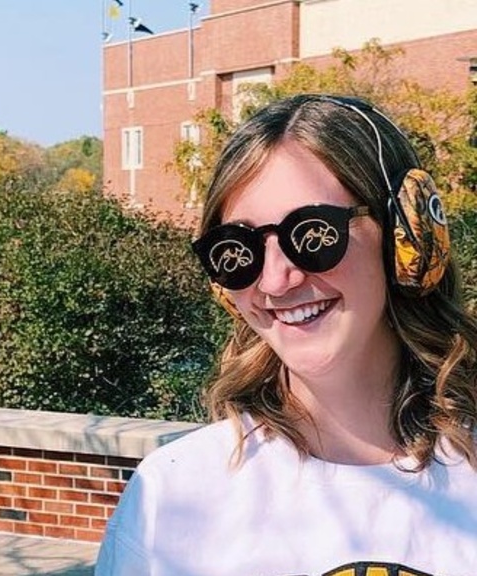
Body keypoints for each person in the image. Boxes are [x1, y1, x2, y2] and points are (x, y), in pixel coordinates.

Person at [96, 94, 477, 575]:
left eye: (313, 234)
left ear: (409, 236)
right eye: (238, 247)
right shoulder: (172, 498)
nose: (275, 281)